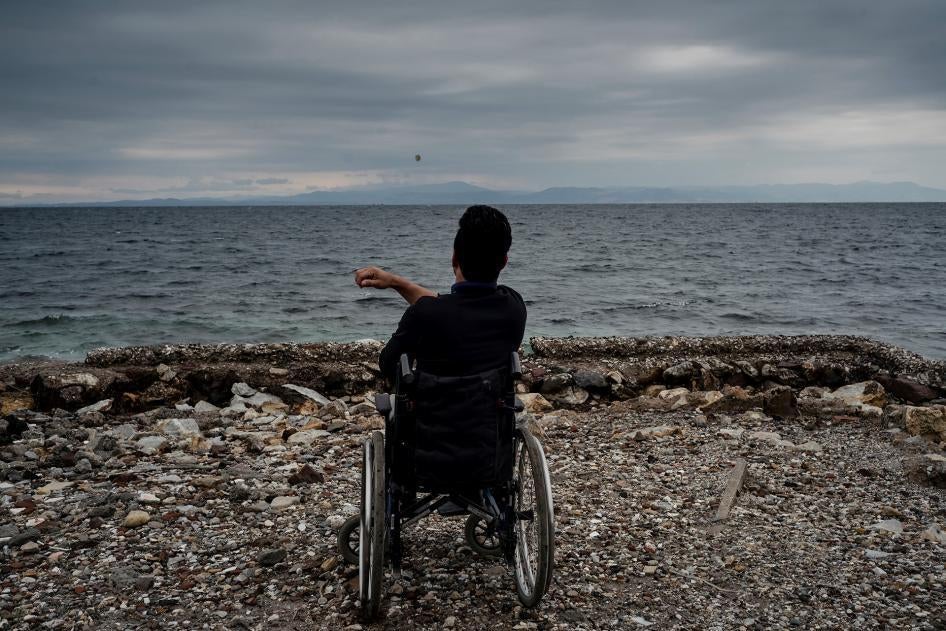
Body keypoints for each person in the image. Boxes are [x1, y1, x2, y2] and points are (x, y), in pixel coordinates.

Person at [354, 205, 526, 383]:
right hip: (491, 409)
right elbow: (450, 307)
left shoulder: (424, 314)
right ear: (504, 262)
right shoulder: (514, 305)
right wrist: (395, 282)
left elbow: (389, 364)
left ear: (454, 258)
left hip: (431, 410)